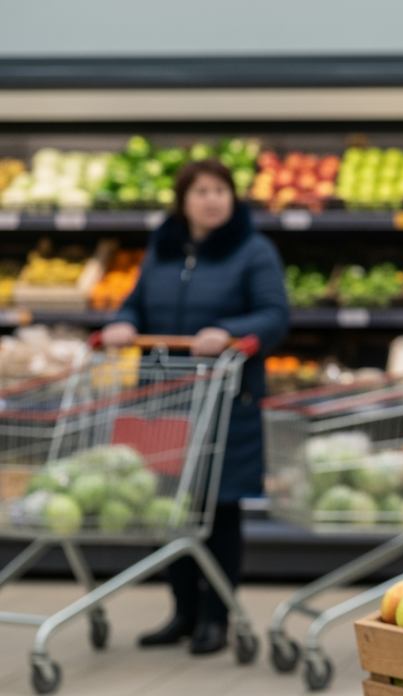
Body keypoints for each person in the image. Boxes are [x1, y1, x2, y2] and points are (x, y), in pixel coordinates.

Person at [102, 159, 289, 655]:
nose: (213, 199)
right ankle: (181, 612)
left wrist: (229, 332)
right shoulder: (163, 250)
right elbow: (135, 303)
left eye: (221, 190)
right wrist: (121, 322)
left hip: (227, 402)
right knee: (169, 507)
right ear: (183, 200)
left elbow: (274, 316)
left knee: (219, 511)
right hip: (164, 404)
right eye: (202, 191)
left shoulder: (253, 251)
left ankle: (216, 617)